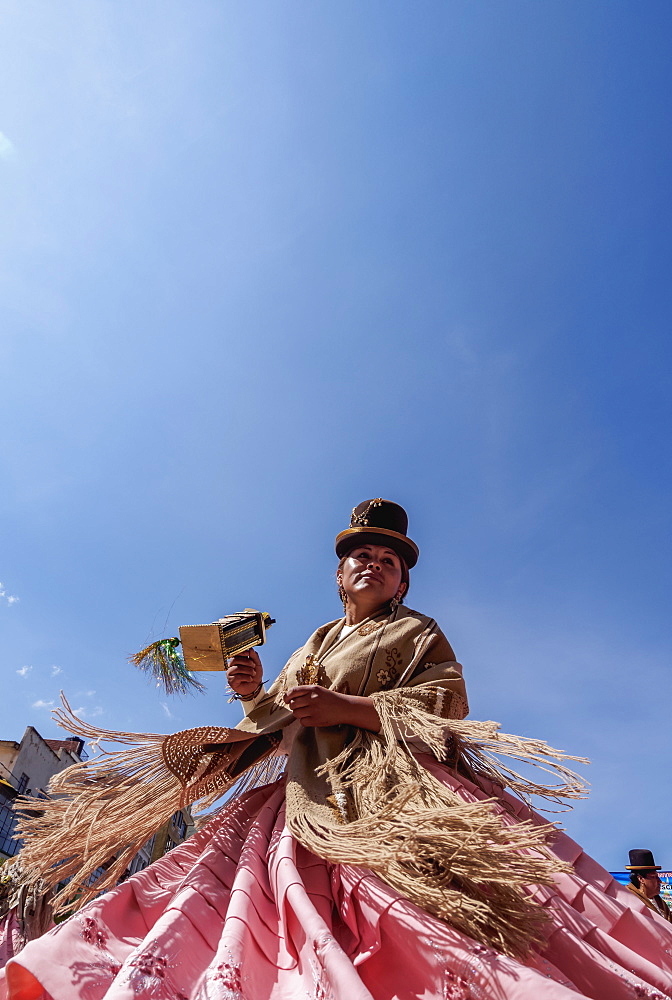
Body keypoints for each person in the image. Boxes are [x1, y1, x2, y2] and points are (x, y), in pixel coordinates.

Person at [2, 499, 672, 1000]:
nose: (373, 565)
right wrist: (254, 693)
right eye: (362, 556)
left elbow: (449, 703)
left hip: (396, 795)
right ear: (338, 574)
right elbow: (280, 722)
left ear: (402, 584)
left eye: (389, 561)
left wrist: (351, 709)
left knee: (417, 908)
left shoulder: (417, 631)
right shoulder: (311, 643)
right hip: (301, 796)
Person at [626, 849, 672, 922]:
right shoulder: (628, 899)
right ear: (641, 879)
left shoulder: (661, 903)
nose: (660, 881)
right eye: (654, 877)